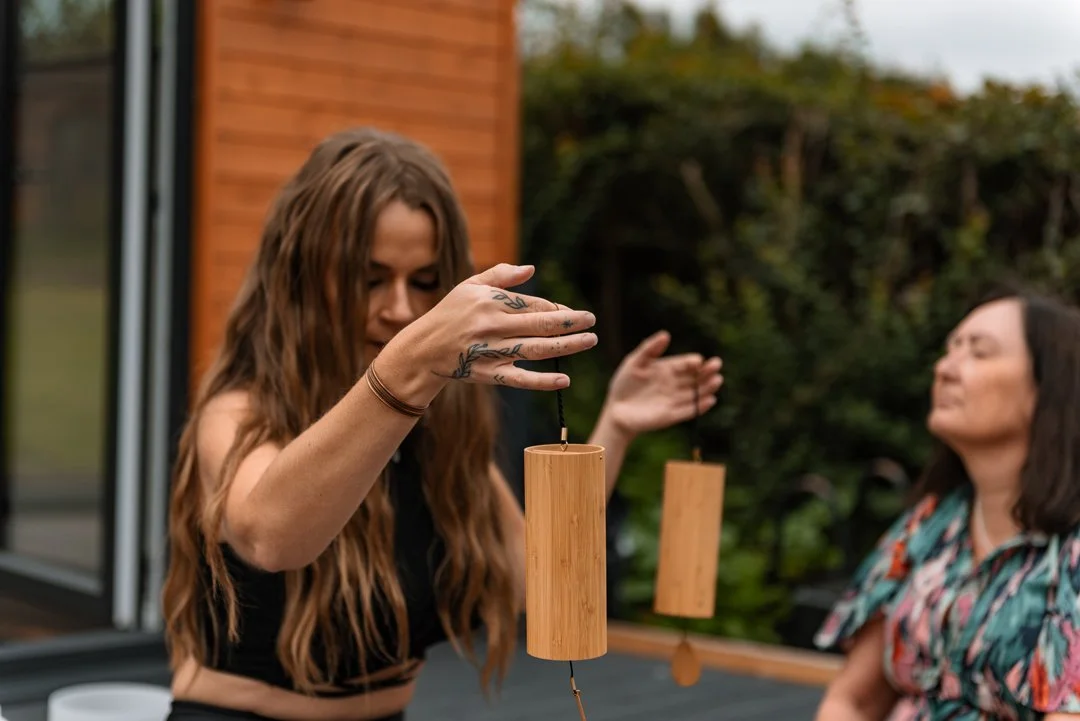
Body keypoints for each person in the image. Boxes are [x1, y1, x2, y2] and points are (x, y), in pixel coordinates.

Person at [160, 127, 724, 721]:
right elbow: (271, 538)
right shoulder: (239, 412)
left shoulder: (439, 427)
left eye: (425, 281)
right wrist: (408, 367)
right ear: (303, 274)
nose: (400, 308)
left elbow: (530, 578)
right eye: (370, 278)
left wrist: (615, 427)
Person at [813, 285, 1080, 720]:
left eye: (979, 352)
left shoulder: (1072, 550)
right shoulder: (932, 524)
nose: (945, 369)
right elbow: (853, 701)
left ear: (1049, 388)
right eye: (949, 350)